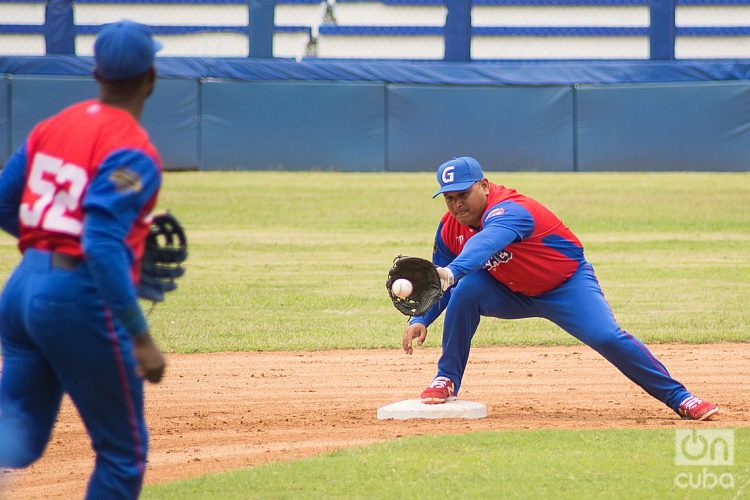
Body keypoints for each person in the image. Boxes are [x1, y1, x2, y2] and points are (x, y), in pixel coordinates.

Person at [402, 156, 718, 421]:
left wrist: (453, 272)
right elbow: (439, 281)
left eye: (463, 194)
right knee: (466, 290)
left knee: (607, 336)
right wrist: (421, 319)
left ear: (484, 186)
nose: (457, 204)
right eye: (449, 197)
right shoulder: (449, 228)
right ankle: (446, 379)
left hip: (565, 285)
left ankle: (681, 398)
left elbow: (485, 244)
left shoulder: (510, 208)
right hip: (508, 291)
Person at [0, 20, 167, 498]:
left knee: (20, 438)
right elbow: (99, 241)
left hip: (20, 288)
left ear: (95, 72)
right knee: (122, 453)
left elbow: (3, 202)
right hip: (73, 299)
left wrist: (48, 243)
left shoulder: (51, 126)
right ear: (151, 78)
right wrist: (140, 337)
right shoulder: (134, 151)